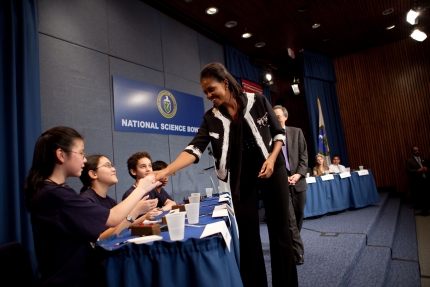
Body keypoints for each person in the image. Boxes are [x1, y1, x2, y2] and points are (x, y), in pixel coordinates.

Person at [152, 62, 298, 287]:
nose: (209, 95)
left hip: (272, 168)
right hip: (242, 177)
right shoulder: (211, 118)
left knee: (281, 233)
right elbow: (194, 149)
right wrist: (167, 170)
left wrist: (271, 159)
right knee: (248, 236)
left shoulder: (257, 100)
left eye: (212, 90)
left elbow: (279, 134)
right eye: (205, 93)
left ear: (226, 83)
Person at [23, 126, 160, 286]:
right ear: (61, 155)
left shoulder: (53, 191)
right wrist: (142, 188)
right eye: (81, 153)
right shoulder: (56, 195)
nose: (85, 160)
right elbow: (113, 219)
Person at [79, 154, 160, 239]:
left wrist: (141, 214)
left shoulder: (111, 201)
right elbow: (100, 239)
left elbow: (121, 226)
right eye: (107, 166)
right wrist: (136, 210)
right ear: (93, 173)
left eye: (112, 166)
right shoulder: (87, 201)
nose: (114, 169)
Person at [273, 105, 308, 265]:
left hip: (299, 181)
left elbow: (304, 157)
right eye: (273, 117)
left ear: (285, 117)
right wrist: (283, 177)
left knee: (299, 213)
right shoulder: (269, 136)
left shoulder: (297, 132)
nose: (276, 119)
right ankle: (298, 252)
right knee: (290, 219)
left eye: (278, 116)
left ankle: (293, 241)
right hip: (281, 183)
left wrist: (298, 174)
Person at [406, 146, 430, 216]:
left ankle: (427, 209)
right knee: (421, 196)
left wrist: (426, 169)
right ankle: (424, 211)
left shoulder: (424, 159)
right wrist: (418, 170)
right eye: (415, 151)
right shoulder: (409, 161)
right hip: (417, 181)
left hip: (426, 179)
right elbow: (408, 170)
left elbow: (429, 167)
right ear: (412, 152)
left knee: (427, 195)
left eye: (418, 150)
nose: (417, 152)